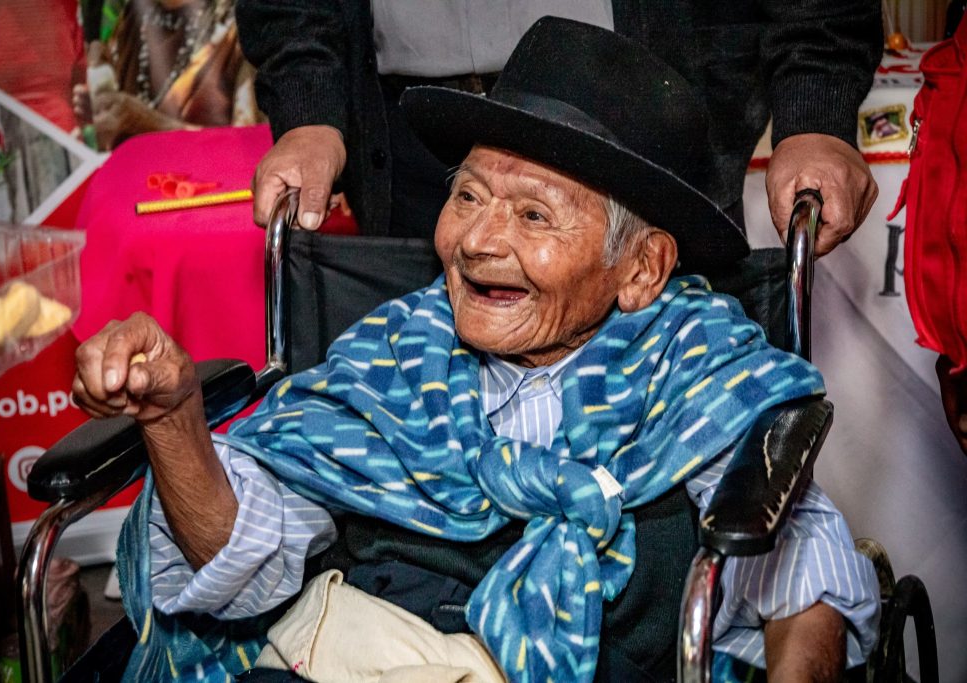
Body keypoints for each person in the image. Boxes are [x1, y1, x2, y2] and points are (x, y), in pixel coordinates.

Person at [73, 20, 878, 682]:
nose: (479, 242)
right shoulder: (393, 355)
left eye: (533, 216)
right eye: (468, 196)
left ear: (640, 269)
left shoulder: (699, 370)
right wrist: (175, 421)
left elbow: (803, 582)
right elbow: (241, 565)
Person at [236, 1, 881, 258]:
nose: (490, 239)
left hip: (640, 122)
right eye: (473, 203)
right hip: (411, 132)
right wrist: (310, 111)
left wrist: (814, 116)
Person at [73, 0, 260, 151]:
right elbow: (123, 112)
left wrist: (147, 123)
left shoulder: (244, 26)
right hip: (136, 188)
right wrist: (102, 112)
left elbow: (248, 152)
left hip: (203, 192)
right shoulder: (133, 15)